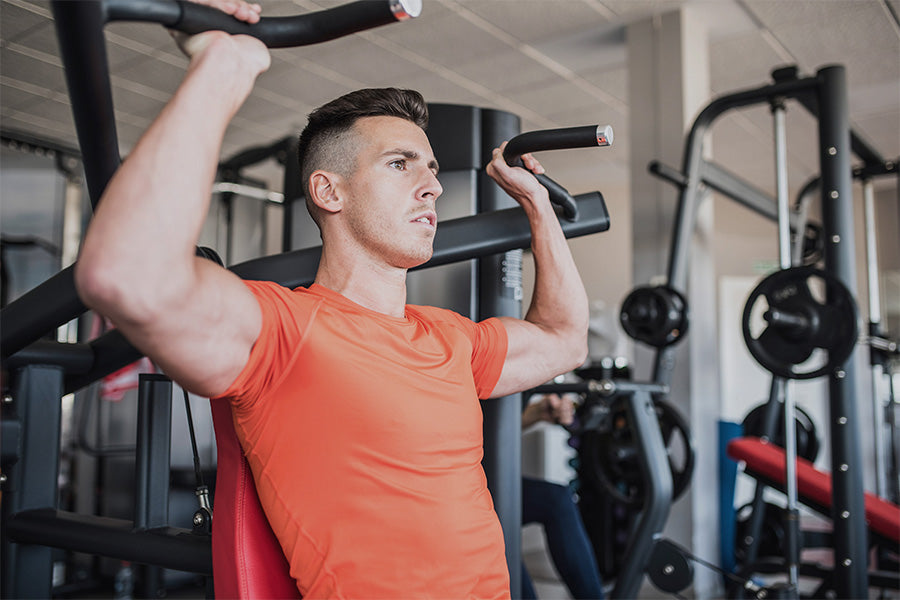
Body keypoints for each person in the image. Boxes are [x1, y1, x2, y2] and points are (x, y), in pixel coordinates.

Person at [74, 0, 589, 597]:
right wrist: (224, 66)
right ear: (328, 191)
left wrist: (538, 207)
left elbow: (564, 340)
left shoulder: (450, 337)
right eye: (400, 164)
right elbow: (130, 276)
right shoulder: (282, 330)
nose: (433, 186)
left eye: (431, 168)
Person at [521, 394, 605, 599]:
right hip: (455, 489)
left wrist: (536, 413)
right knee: (497, 522)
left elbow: (491, 422)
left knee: (555, 500)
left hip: (488, 478)